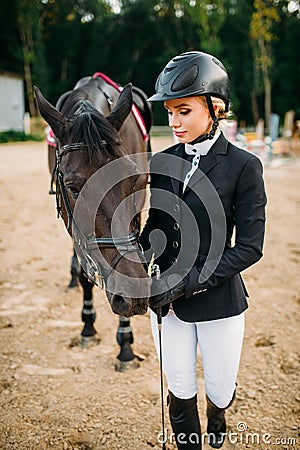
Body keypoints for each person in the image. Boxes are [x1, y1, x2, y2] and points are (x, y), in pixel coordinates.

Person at [139, 51, 267, 449]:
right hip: (166, 304)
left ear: (215, 108)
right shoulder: (161, 161)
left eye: (184, 111)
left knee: (219, 387)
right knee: (178, 388)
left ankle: (218, 415)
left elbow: (250, 247)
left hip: (219, 303)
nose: (173, 122)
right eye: (169, 113)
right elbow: (155, 230)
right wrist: (127, 256)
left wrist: (188, 283)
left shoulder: (244, 166)